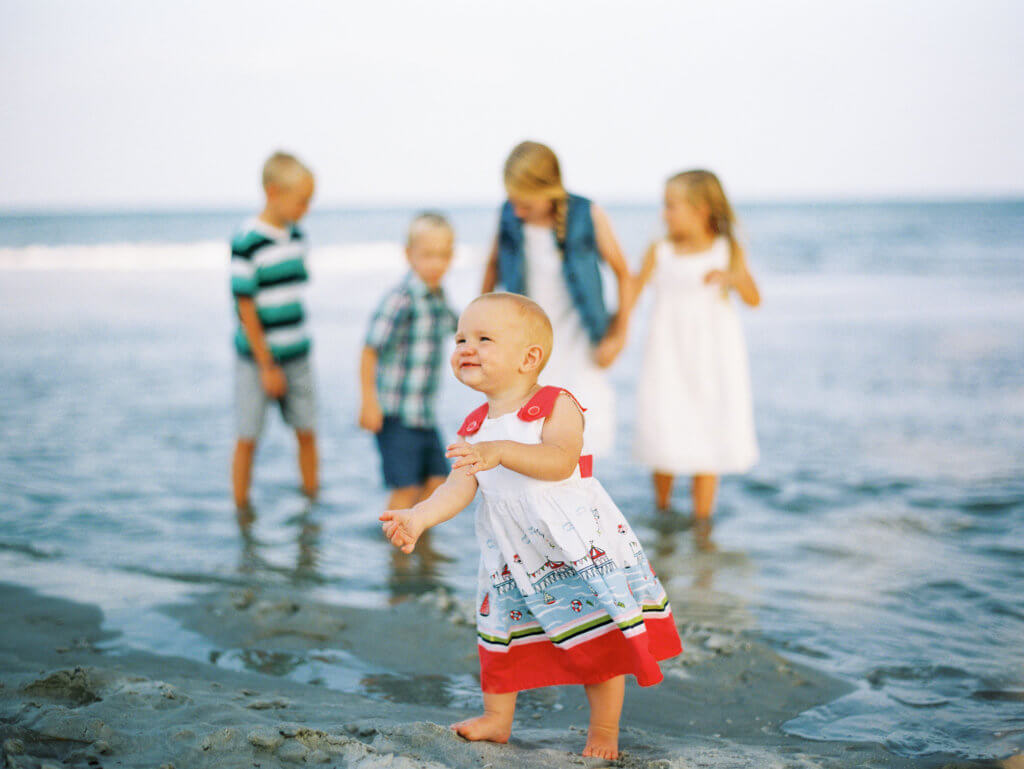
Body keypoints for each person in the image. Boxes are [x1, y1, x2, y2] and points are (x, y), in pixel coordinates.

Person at [380, 293, 681, 760]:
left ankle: (603, 730)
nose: (466, 346)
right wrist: (418, 517)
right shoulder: (474, 425)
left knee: (596, 634)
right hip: (511, 554)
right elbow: (458, 488)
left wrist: (501, 450)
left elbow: (561, 461)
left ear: (529, 358)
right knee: (500, 635)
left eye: (483, 338)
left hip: (571, 547)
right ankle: (497, 719)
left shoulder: (554, 404)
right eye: (461, 337)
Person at [480, 141, 634, 457]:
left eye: (526, 204)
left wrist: (618, 336)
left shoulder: (586, 213)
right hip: (527, 346)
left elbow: (624, 274)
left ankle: (581, 505)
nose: (518, 210)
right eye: (513, 201)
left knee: (583, 436)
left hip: (580, 341)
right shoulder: (508, 215)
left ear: (549, 189)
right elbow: (492, 266)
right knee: (526, 435)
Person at [633, 170, 760, 517]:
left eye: (671, 207)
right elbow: (632, 294)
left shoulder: (727, 249)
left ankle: (703, 525)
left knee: (708, 427)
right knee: (665, 423)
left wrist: (733, 278)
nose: (664, 214)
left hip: (712, 357)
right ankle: (662, 511)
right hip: (667, 355)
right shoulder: (659, 252)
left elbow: (754, 298)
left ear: (701, 209)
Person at [230, 151, 318, 512]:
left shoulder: (297, 235)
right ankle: (242, 510)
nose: (306, 208)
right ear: (272, 192)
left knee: (307, 432)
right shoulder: (248, 240)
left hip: (298, 354)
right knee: (248, 437)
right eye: (301, 200)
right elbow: (244, 307)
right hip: (257, 359)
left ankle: (312, 508)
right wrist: (266, 364)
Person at [359, 212, 458, 513]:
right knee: (406, 487)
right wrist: (368, 403)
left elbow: (461, 329)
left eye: (443, 255)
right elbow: (369, 350)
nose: (436, 263)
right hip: (395, 413)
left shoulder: (438, 297)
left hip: (424, 414)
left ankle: (417, 544)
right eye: (427, 255)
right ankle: (393, 552)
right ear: (409, 255)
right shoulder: (400, 299)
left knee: (439, 480)